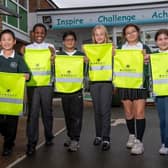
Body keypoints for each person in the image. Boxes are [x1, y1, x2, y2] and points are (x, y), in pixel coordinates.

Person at [117, 24, 151, 155]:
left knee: (140, 112)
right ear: (124, 35)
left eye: (133, 31)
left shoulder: (144, 48)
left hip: (140, 84)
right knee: (128, 113)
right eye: (127, 32)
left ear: (138, 33)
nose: (131, 34)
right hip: (124, 84)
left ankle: (139, 142)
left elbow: (152, 66)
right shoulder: (120, 48)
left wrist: (148, 60)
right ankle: (131, 135)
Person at [22, 23, 55, 156]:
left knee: (47, 113)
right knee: (33, 114)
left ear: (45, 34)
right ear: (33, 34)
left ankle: (49, 136)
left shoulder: (50, 47)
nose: (39, 35)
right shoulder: (27, 48)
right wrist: (22, 53)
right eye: (37, 32)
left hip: (46, 85)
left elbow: (54, 63)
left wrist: (53, 57)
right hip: (33, 86)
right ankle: (31, 143)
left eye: (42, 32)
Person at [0, 29, 30, 156]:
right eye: (4, 39)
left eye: (9, 39)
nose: (6, 42)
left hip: (13, 99)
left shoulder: (18, 59)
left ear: (14, 42)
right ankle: (6, 134)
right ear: (0, 42)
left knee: (12, 123)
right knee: (2, 123)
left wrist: (26, 76)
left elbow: (28, 75)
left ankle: (8, 145)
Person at [85, 25, 113, 151]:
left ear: (105, 36)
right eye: (97, 34)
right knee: (97, 111)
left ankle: (106, 138)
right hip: (94, 83)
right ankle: (98, 136)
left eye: (102, 34)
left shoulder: (111, 48)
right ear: (94, 37)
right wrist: (85, 58)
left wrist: (114, 54)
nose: (99, 37)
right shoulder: (89, 50)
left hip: (106, 82)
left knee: (105, 110)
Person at [56, 31, 84, 152]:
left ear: (75, 41)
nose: (69, 41)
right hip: (64, 90)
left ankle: (75, 140)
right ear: (63, 42)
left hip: (77, 90)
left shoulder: (80, 55)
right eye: (67, 40)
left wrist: (87, 60)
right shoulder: (59, 56)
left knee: (76, 116)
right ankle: (70, 136)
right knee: (67, 116)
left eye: (72, 39)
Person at [153, 29, 168, 155]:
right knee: (163, 120)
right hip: (160, 94)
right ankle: (164, 142)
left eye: (166, 38)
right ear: (156, 42)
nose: (163, 41)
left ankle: (167, 144)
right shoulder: (153, 57)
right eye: (160, 39)